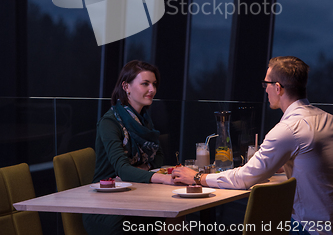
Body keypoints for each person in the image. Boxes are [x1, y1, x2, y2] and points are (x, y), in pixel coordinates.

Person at [172, 56, 333, 235]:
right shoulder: (328, 119)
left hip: (309, 228)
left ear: (278, 88)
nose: (265, 90)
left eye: (266, 85)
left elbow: (245, 178)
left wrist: (197, 177)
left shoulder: (288, 129)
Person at [83, 60, 173, 235]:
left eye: (154, 84)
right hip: (105, 206)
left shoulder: (143, 120)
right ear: (126, 86)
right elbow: (123, 170)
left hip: (134, 194)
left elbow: (159, 155)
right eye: (145, 84)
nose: (152, 90)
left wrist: (145, 168)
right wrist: (163, 179)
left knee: (175, 212)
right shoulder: (110, 122)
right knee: (166, 214)